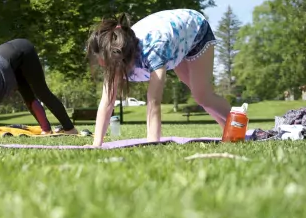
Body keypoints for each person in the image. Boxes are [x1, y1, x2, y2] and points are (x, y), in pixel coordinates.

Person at [86, 9, 231, 147]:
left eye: (108, 63)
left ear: (123, 58)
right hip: (174, 37)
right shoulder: (114, 51)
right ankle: (229, 132)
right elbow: (107, 102)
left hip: (195, 28)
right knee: (200, 95)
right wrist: (97, 143)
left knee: (202, 95)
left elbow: (153, 101)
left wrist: (152, 143)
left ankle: (237, 122)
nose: (103, 66)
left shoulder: (154, 50)